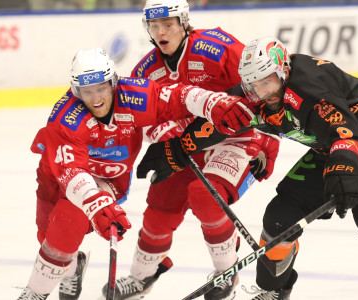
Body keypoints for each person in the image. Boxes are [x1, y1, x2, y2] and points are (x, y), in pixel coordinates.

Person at [137, 37, 358, 300]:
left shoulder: (310, 87)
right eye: (253, 85)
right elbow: (218, 124)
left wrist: (341, 169)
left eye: (268, 82)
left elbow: (347, 132)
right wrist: (176, 150)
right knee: (279, 219)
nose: (263, 92)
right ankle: (275, 290)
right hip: (333, 145)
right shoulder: (252, 95)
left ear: (283, 71)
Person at [16, 47, 232, 300]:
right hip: (57, 177)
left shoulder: (134, 96)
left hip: (108, 179)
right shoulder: (66, 118)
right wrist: (95, 203)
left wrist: (214, 104)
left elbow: (178, 97)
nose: (95, 98)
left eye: (101, 88)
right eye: (87, 91)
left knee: (67, 221)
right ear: (76, 92)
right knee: (48, 237)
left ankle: (34, 295)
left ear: (113, 83)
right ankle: (71, 271)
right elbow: (71, 170)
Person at [102, 1, 280, 299]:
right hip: (185, 146)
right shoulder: (147, 69)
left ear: (184, 23)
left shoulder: (217, 47)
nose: (160, 32)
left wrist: (268, 140)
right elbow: (136, 117)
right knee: (160, 207)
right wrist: (162, 133)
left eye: (167, 24)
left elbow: (264, 85)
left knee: (205, 195)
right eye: (154, 26)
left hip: (239, 138)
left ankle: (226, 272)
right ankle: (142, 276)